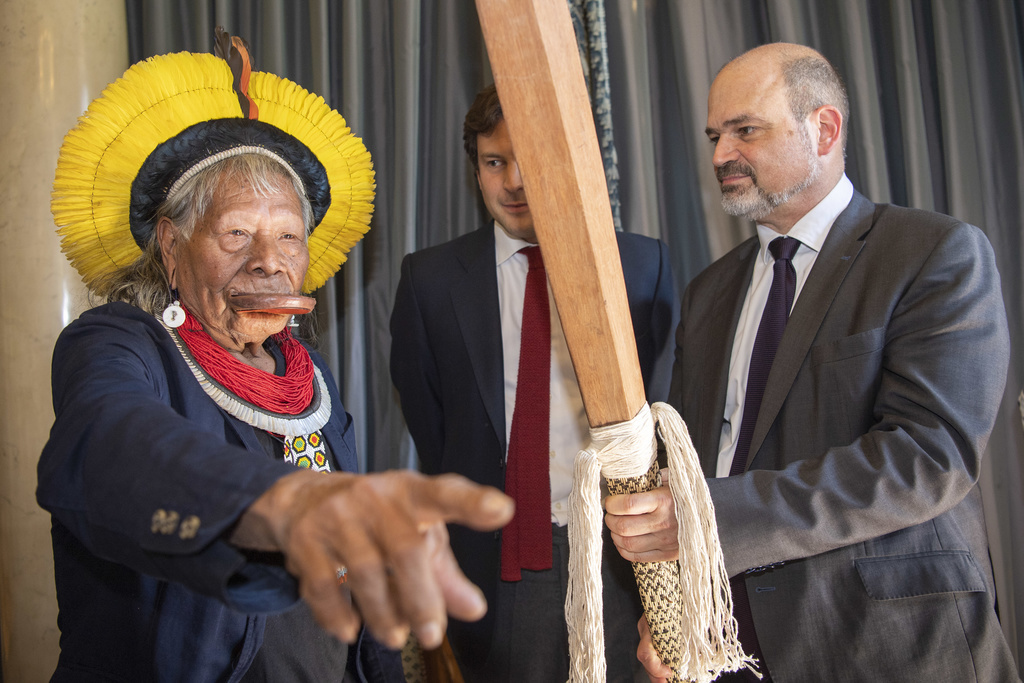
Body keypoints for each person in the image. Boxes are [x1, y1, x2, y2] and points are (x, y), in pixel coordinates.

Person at [37, 33, 512, 682]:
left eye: (289, 235)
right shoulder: (120, 343)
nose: (269, 260)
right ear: (172, 249)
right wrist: (288, 503)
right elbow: (108, 442)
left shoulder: (309, 378)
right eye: (236, 233)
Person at [604, 43, 1021, 682]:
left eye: (746, 130)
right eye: (716, 135)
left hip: (893, 646)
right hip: (733, 649)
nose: (720, 155)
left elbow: (927, 458)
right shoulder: (710, 292)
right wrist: (672, 605)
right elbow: (694, 458)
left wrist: (706, 517)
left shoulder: (933, 253)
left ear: (823, 129)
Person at [389, 84, 676, 682]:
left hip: (619, 554)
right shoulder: (430, 279)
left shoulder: (640, 264)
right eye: (495, 163)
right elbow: (431, 422)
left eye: (531, 162)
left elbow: (666, 405)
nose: (515, 182)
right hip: (497, 559)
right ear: (476, 169)